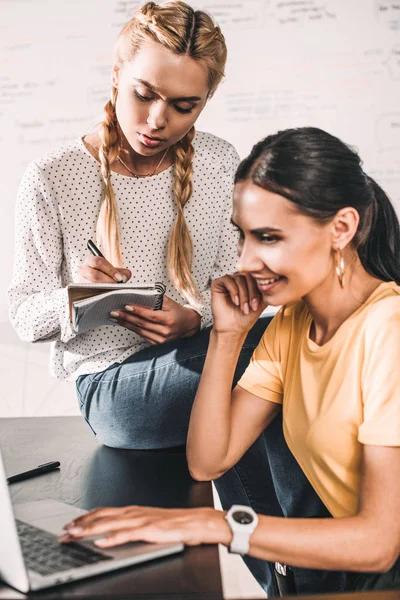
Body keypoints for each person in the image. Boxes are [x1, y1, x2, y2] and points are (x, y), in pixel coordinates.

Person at [60, 127, 400, 596]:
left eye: (268, 237)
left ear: (340, 229)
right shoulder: (292, 323)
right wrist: (226, 335)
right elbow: (208, 459)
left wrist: (219, 526)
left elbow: (380, 544)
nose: (245, 260)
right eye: (243, 236)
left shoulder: (389, 330)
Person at [7, 0, 270, 449]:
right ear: (115, 75)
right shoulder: (53, 176)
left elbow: (240, 286)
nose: (157, 121)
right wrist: (76, 296)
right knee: (297, 341)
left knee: (293, 352)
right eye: (144, 94)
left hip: (206, 359)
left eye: (185, 106)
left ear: (206, 102)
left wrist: (193, 320)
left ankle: (279, 520)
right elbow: (23, 318)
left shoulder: (220, 160)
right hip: (114, 390)